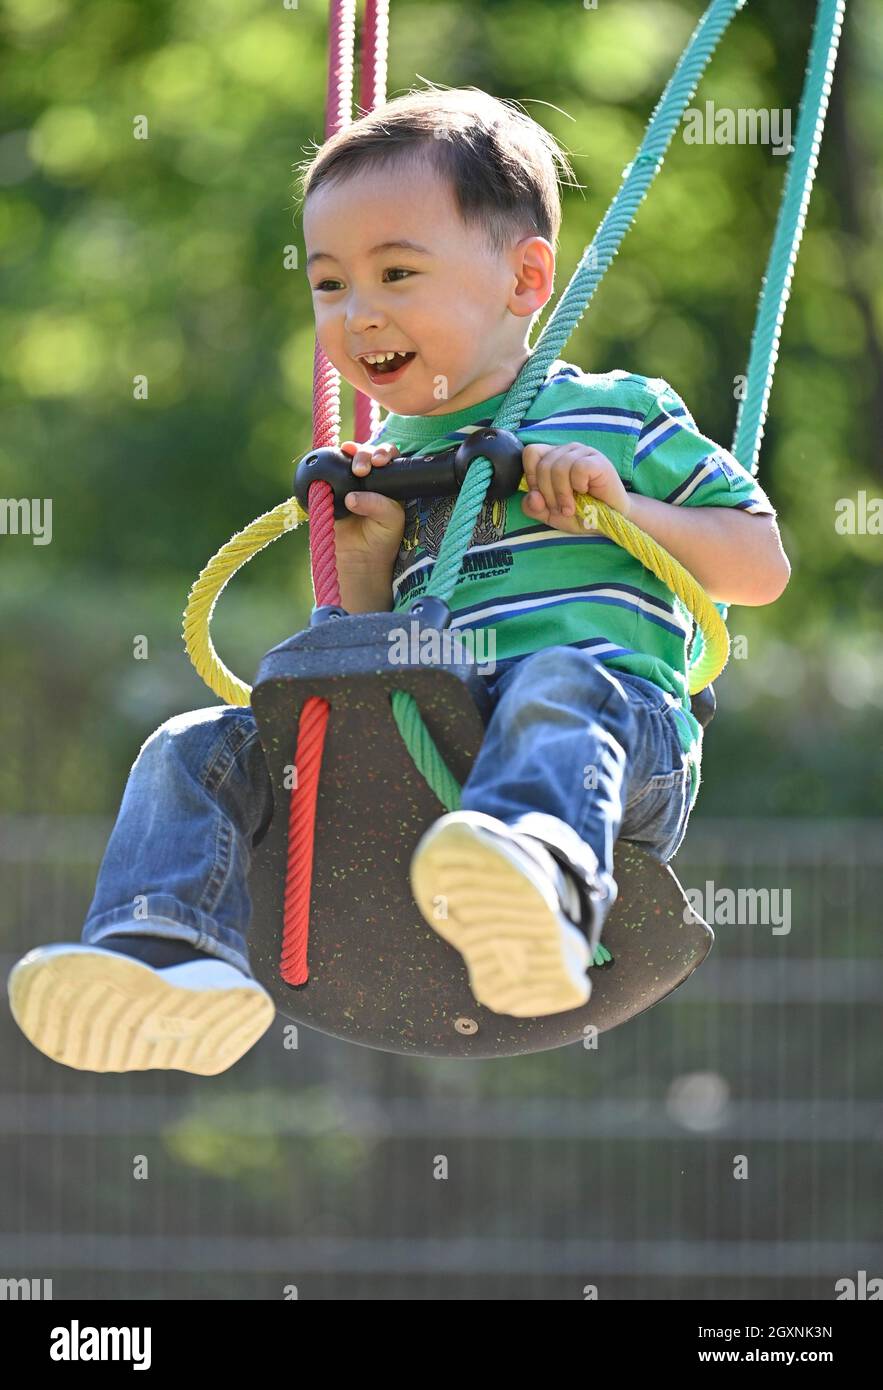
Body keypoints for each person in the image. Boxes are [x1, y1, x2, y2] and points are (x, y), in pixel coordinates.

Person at [7, 86, 789, 1074]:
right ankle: (167, 953)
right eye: (329, 285)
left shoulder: (616, 417)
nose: (358, 312)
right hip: (436, 735)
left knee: (552, 683)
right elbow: (361, 660)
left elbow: (759, 567)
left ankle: (537, 882)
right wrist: (366, 556)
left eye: (396, 272)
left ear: (523, 277)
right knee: (193, 742)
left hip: (613, 744)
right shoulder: (388, 460)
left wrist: (618, 508)